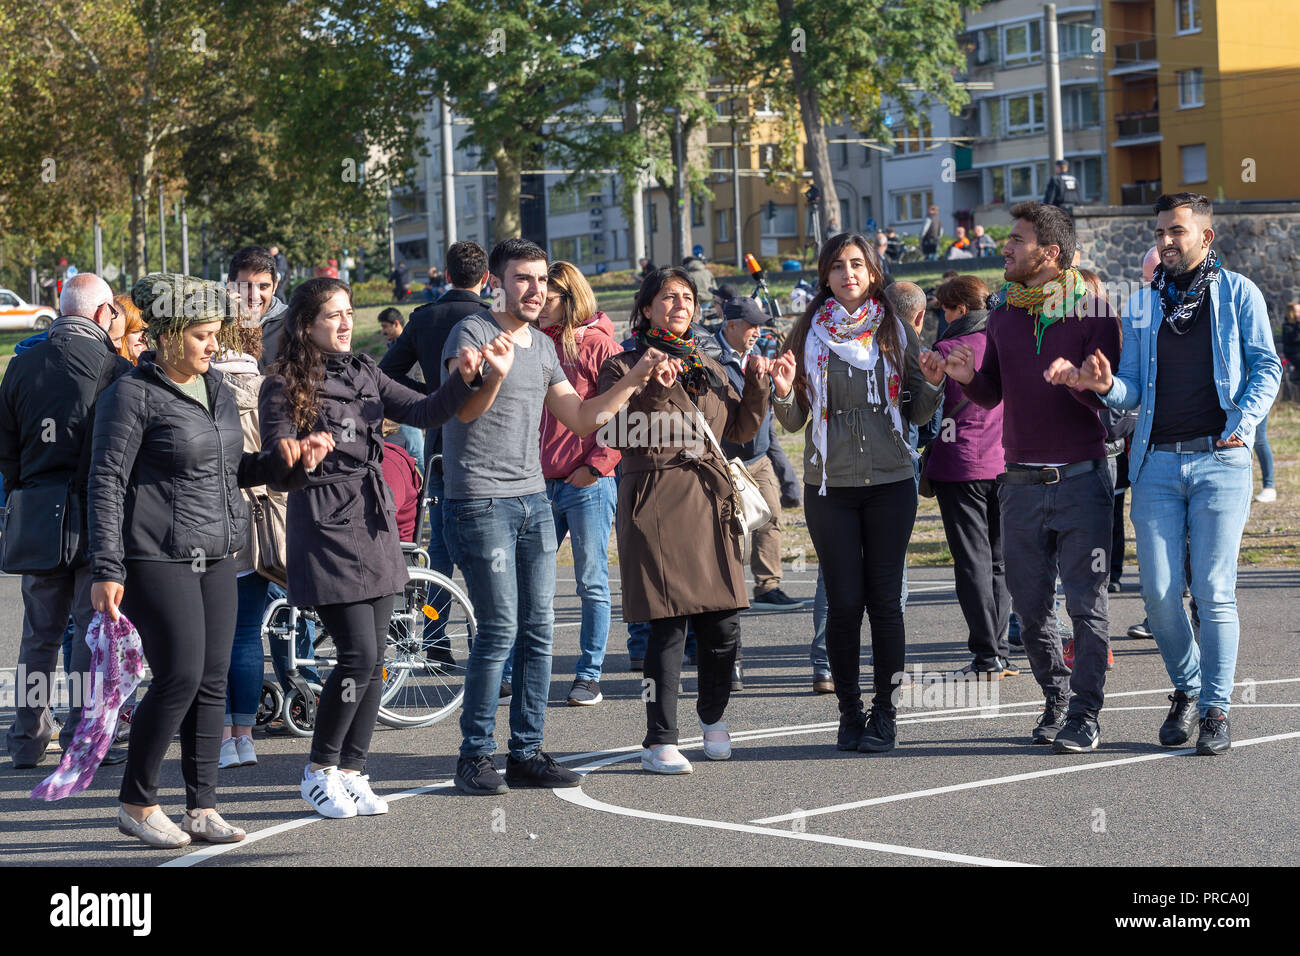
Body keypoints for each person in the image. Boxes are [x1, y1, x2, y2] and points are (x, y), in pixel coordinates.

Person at [88, 273, 332, 848]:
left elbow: (234, 468)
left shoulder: (217, 386)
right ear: (170, 335)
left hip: (222, 550)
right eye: (201, 335)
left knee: (212, 681)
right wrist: (105, 567)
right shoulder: (130, 394)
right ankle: (137, 803)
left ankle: (201, 808)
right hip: (155, 556)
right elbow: (105, 482)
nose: (212, 346)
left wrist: (287, 464)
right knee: (178, 677)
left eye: (216, 335)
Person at [258, 277, 500, 818]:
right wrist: (299, 454)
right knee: (357, 655)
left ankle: (352, 770)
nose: (346, 323)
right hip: (324, 526)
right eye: (333, 316)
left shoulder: (366, 370)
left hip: (375, 525)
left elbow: (429, 410)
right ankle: (318, 771)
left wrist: (467, 377)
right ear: (305, 325)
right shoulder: (282, 383)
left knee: (377, 659)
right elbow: (274, 463)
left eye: (349, 313)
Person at [1050, 192, 1282, 755]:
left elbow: (1267, 366)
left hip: (1221, 460)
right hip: (1155, 462)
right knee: (1156, 594)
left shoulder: (1239, 293)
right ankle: (1188, 686)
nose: (1165, 241)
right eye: (1160, 232)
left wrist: (1244, 424)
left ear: (1206, 237)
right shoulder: (1142, 305)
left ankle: (1216, 710)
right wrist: (1104, 386)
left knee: (1213, 589)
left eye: (1176, 231)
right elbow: (1130, 387)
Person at [442, 238, 673, 795]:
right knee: (500, 629)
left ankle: (526, 752)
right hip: (479, 500)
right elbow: (464, 408)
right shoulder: (470, 335)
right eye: (523, 278)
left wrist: (636, 376)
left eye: (542, 279)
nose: (535, 289)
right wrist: (490, 374)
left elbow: (584, 418)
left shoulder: (544, 348)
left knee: (539, 629)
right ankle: (474, 756)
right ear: (496, 283)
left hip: (532, 500)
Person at [941, 201, 1120, 754]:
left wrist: (1084, 382)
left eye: (1017, 240)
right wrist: (968, 376)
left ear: (1050, 252)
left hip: (1082, 479)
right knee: (1030, 604)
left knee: (1086, 606)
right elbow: (992, 390)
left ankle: (1086, 714)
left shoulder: (1093, 308)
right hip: (1016, 480)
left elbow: (1115, 401)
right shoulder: (1002, 313)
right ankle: (1057, 699)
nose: (1006, 247)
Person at [599, 266, 775, 773]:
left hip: (710, 499)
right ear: (647, 308)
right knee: (667, 625)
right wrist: (651, 389)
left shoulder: (711, 366)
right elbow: (614, 435)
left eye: (688, 297)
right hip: (654, 499)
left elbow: (739, 430)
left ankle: (713, 716)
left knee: (724, 626)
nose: (680, 304)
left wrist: (761, 387)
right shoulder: (624, 365)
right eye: (668, 297)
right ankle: (659, 739)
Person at [773, 233, 944, 753]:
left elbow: (916, 412)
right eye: (838, 266)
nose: (848, 273)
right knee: (845, 603)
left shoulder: (894, 330)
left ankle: (886, 714)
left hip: (892, 482)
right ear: (824, 275)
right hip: (830, 487)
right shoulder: (806, 335)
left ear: (873, 271)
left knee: (885, 604)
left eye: (857, 264)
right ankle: (849, 712)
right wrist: (781, 392)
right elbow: (795, 419)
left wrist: (933, 385)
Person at [1, 274, 133, 770]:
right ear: (102, 315)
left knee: (39, 635)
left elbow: (5, 449)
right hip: (95, 515)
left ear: (61, 312)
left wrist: (24, 486)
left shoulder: (21, 366)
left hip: (37, 511)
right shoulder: (115, 369)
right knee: (88, 628)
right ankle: (81, 738)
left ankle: (26, 740)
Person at [379, 241, 490, 661]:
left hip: (440, 441)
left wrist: (433, 395)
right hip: (486, 445)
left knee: (440, 546)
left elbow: (387, 372)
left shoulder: (425, 318)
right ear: (486, 278)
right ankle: (484, 640)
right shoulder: (490, 318)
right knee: (486, 548)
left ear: (446, 275)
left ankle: (435, 634)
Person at [215, 247, 289, 771]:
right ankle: (244, 734)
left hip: (210, 517)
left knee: (211, 636)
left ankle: (220, 736)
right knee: (245, 633)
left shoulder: (201, 386)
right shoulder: (271, 386)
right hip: (262, 518)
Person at [536, 261, 622, 706]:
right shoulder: (530, 341)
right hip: (536, 483)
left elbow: (625, 413)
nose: (536, 301)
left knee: (591, 581)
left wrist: (596, 466)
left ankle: (588, 675)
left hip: (586, 482)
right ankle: (525, 670)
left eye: (546, 295)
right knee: (532, 582)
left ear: (568, 299)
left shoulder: (600, 345)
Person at [924, 275, 1018, 678]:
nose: (942, 316)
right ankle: (999, 649)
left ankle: (986, 655)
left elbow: (926, 414)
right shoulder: (1003, 343)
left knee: (972, 562)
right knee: (1000, 561)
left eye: (945, 309)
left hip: (960, 464)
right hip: (1004, 461)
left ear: (960, 309)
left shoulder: (943, 351)